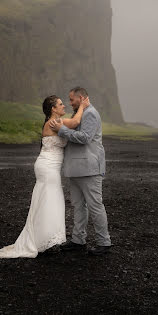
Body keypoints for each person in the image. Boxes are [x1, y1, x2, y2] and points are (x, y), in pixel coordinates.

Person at [0, 95, 89, 258]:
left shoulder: (55, 122)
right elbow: (74, 123)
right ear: (53, 109)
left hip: (48, 166)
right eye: (60, 104)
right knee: (50, 200)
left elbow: (72, 126)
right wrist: (83, 106)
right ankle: (45, 239)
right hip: (47, 167)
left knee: (49, 200)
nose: (63, 106)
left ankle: (47, 238)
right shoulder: (54, 123)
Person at [49, 87, 111, 256]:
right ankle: (78, 241)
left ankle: (104, 242)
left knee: (95, 206)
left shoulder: (90, 113)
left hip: (89, 169)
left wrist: (61, 131)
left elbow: (85, 137)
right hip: (76, 169)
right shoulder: (80, 113)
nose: (70, 103)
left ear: (81, 97)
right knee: (78, 206)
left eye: (72, 100)